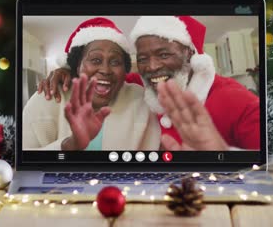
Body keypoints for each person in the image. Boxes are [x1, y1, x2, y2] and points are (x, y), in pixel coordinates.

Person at [38, 16, 260, 151]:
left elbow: (265, 169)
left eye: (163, 54)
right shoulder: (140, 87)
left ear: (190, 53)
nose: (152, 67)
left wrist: (220, 155)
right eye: (143, 58)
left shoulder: (240, 101)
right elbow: (106, 79)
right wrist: (69, 70)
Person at [24, 17, 160, 150]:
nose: (106, 70)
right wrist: (70, 145)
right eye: (95, 60)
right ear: (77, 66)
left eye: (115, 62)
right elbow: (24, 163)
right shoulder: (48, 97)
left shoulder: (143, 99)